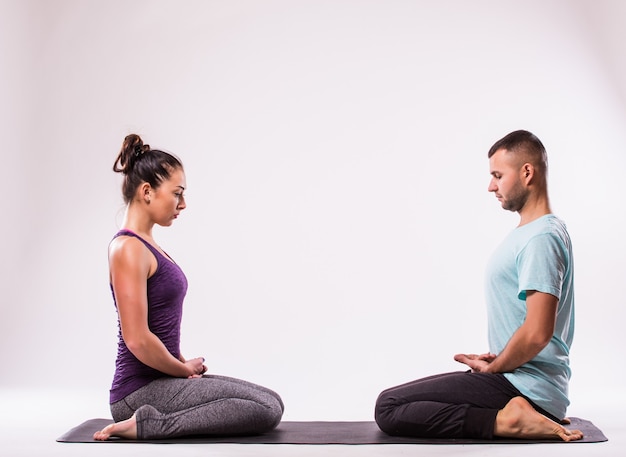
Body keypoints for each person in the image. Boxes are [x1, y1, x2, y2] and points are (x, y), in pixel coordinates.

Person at [374, 130, 583, 441]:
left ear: (527, 172)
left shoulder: (541, 237)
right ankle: (521, 411)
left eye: (498, 175)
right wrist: (497, 358)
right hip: (520, 379)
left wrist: (497, 366)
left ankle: (509, 421)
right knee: (399, 402)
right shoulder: (534, 233)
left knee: (388, 407)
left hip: (523, 386)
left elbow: (538, 332)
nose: (491, 186)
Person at [94, 134, 284, 440]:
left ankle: (153, 417)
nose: (182, 203)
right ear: (147, 192)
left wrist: (180, 362)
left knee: (271, 401)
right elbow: (138, 339)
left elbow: (158, 327)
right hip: (137, 392)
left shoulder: (146, 245)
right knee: (265, 409)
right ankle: (145, 425)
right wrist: (183, 372)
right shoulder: (127, 249)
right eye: (177, 193)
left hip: (164, 381)